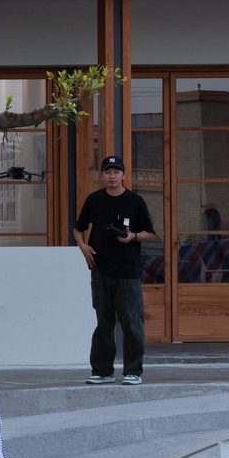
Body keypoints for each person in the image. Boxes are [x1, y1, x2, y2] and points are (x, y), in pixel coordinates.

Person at [73, 154, 155, 385]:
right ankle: (102, 371)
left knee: (132, 323)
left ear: (123, 175)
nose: (112, 176)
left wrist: (133, 236)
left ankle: (133, 371)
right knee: (103, 322)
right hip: (100, 269)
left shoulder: (135, 201)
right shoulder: (94, 200)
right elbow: (78, 228)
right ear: (102, 176)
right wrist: (83, 247)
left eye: (116, 172)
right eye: (108, 172)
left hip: (128, 272)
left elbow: (149, 232)